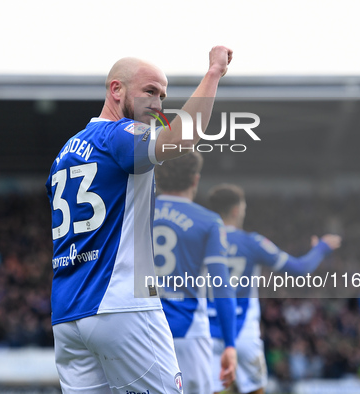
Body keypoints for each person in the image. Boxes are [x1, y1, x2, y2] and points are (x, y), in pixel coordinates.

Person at [46, 46, 233, 393]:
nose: (158, 105)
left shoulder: (65, 152)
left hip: (69, 316)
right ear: (116, 90)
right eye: (149, 91)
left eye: (163, 95)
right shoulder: (117, 135)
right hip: (121, 304)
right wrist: (213, 73)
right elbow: (180, 138)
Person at [207, 184, 341, 394]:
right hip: (243, 333)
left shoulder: (201, 241)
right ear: (236, 210)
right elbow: (301, 268)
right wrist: (321, 248)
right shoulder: (251, 242)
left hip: (208, 333)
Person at [153, 152, 237, 393]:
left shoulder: (133, 214)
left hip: (141, 331)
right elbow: (221, 287)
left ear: (157, 174)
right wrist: (230, 344)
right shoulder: (209, 221)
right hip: (188, 334)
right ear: (195, 180)